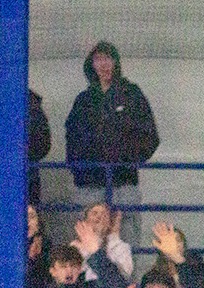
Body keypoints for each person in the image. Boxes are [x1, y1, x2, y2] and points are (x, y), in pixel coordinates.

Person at [65, 42, 160, 246]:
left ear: (116, 62)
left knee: (125, 242)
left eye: (108, 58)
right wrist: (80, 169)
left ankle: (128, 279)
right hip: (89, 184)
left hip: (123, 183)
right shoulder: (84, 100)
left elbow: (150, 137)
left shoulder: (132, 94)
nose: (104, 64)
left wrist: (125, 161)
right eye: (98, 59)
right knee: (88, 245)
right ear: (91, 64)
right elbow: (71, 138)